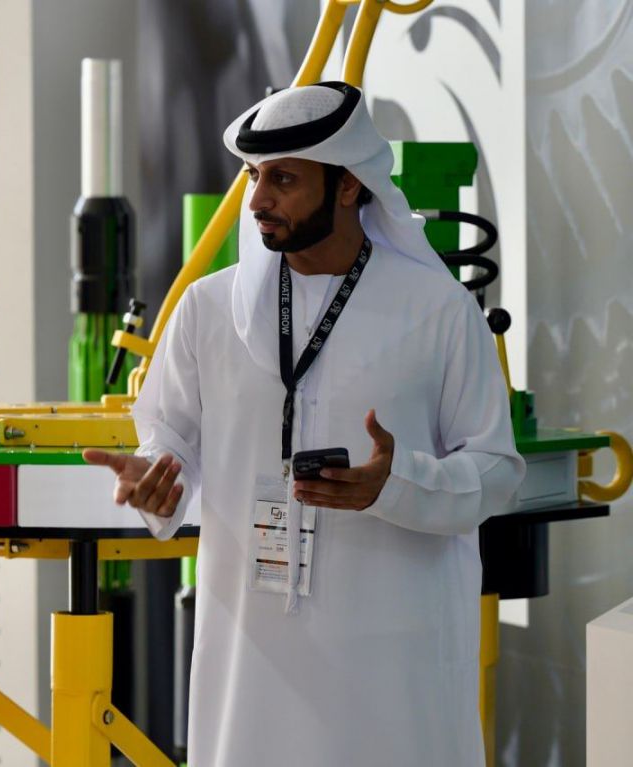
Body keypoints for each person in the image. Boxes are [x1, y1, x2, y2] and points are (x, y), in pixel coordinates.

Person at [85, 82, 524, 765]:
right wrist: (157, 481)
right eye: (254, 176)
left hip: (391, 666)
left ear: (348, 185)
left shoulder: (437, 310)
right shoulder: (208, 309)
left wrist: (395, 483)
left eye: (284, 180)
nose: (257, 200)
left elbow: (497, 471)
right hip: (250, 658)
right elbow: (170, 441)